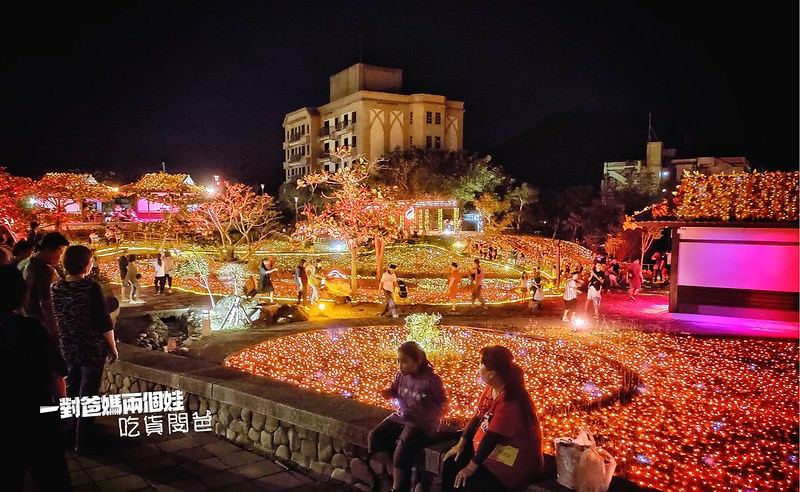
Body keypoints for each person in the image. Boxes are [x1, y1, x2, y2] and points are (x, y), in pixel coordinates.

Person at [1, 265, 71, 491]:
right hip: (35, 418)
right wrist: (64, 408)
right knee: (54, 478)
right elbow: (56, 373)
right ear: (20, 293)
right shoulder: (29, 328)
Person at [442, 346, 543, 492]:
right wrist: (461, 444)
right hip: (491, 452)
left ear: (491, 373)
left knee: (468, 481)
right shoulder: (491, 388)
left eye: (480, 364)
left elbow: (492, 438)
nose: (478, 367)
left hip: (509, 464)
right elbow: (478, 416)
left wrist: (470, 468)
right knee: (452, 462)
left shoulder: (510, 401)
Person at [52, 245, 118, 455]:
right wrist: (113, 347)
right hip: (90, 349)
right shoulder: (91, 288)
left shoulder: (56, 288)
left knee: (71, 392)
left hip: (68, 347)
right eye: (90, 260)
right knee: (88, 395)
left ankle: (67, 435)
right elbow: (103, 322)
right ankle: (84, 441)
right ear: (86, 264)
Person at [369, 341, 447, 492]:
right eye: (398, 361)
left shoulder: (431, 380)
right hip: (402, 416)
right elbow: (395, 389)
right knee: (375, 437)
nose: (399, 365)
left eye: (404, 362)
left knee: (402, 452)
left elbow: (443, 405)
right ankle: (396, 472)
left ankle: (398, 487)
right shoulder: (400, 375)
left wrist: (428, 415)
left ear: (418, 361)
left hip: (421, 424)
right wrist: (388, 393)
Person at [21, 232, 70, 339]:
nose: (60, 257)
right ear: (48, 249)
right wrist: (55, 331)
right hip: (41, 326)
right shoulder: (44, 270)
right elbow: (46, 303)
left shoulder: (27, 263)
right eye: (60, 252)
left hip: (29, 322)